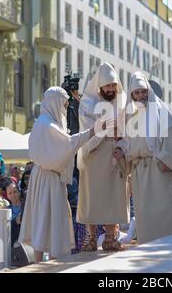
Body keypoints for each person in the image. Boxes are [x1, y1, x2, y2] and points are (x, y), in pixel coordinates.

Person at [19, 86, 112, 263]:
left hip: (44, 176)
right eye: (63, 104)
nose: (65, 108)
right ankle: (44, 262)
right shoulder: (47, 125)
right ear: (55, 102)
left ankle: (44, 260)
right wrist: (93, 130)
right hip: (48, 178)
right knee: (49, 218)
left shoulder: (42, 123)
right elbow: (69, 144)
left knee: (44, 218)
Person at [115, 71, 172, 244]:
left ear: (148, 91)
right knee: (145, 217)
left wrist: (167, 159)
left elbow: (171, 139)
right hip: (139, 173)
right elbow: (127, 143)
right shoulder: (130, 117)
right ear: (132, 94)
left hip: (158, 168)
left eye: (143, 91)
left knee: (165, 210)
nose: (140, 96)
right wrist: (121, 153)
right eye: (136, 93)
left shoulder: (161, 112)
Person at [77, 63, 129, 252]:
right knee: (91, 197)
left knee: (113, 197)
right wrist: (106, 128)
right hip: (93, 155)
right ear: (99, 86)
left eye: (112, 86)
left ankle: (109, 238)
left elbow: (126, 131)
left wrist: (122, 147)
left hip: (113, 154)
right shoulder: (88, 103)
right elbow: (87, 130)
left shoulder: (122, 102)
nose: (110, 89)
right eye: (107, 86)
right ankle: (90, 239)